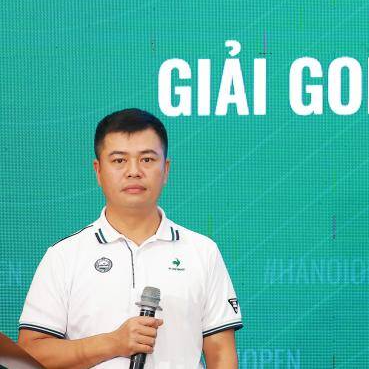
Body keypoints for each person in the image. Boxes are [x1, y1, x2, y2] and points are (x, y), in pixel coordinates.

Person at [17, 108, 242, 368]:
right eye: (119, 160)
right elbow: (29, 355)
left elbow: (221, 354)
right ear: (98, 171)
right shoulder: (64, 256)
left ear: (166, 169)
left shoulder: (202, 252)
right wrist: (113, 342)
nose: (133, 171)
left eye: (147, 159)